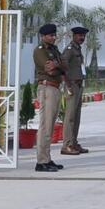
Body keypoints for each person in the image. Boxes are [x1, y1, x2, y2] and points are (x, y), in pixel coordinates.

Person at [32, 23, 66, 173]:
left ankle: (47, 158)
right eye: (50, 35)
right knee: (45, 125)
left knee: (50, 125)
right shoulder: (40, 50)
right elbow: (50, 70)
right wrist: (59, 67)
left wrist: (58, 65)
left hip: (55, 87)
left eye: (54, 35)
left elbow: (65, 66)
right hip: (47, 88)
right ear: (43, 36)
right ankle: (41, 161)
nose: (53, 37)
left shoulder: (54, 49)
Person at [61, 26, 90, 157]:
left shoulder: (77, 49)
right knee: (70, 117)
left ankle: (73, 142)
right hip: (71, 85)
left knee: (76, 117)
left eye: (83, 36)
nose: (82, 38)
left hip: (78, 85)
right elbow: (62, 66)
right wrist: (67, 84)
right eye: (79, 35)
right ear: (74, 36)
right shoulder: (69, 49)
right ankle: (66, 145)